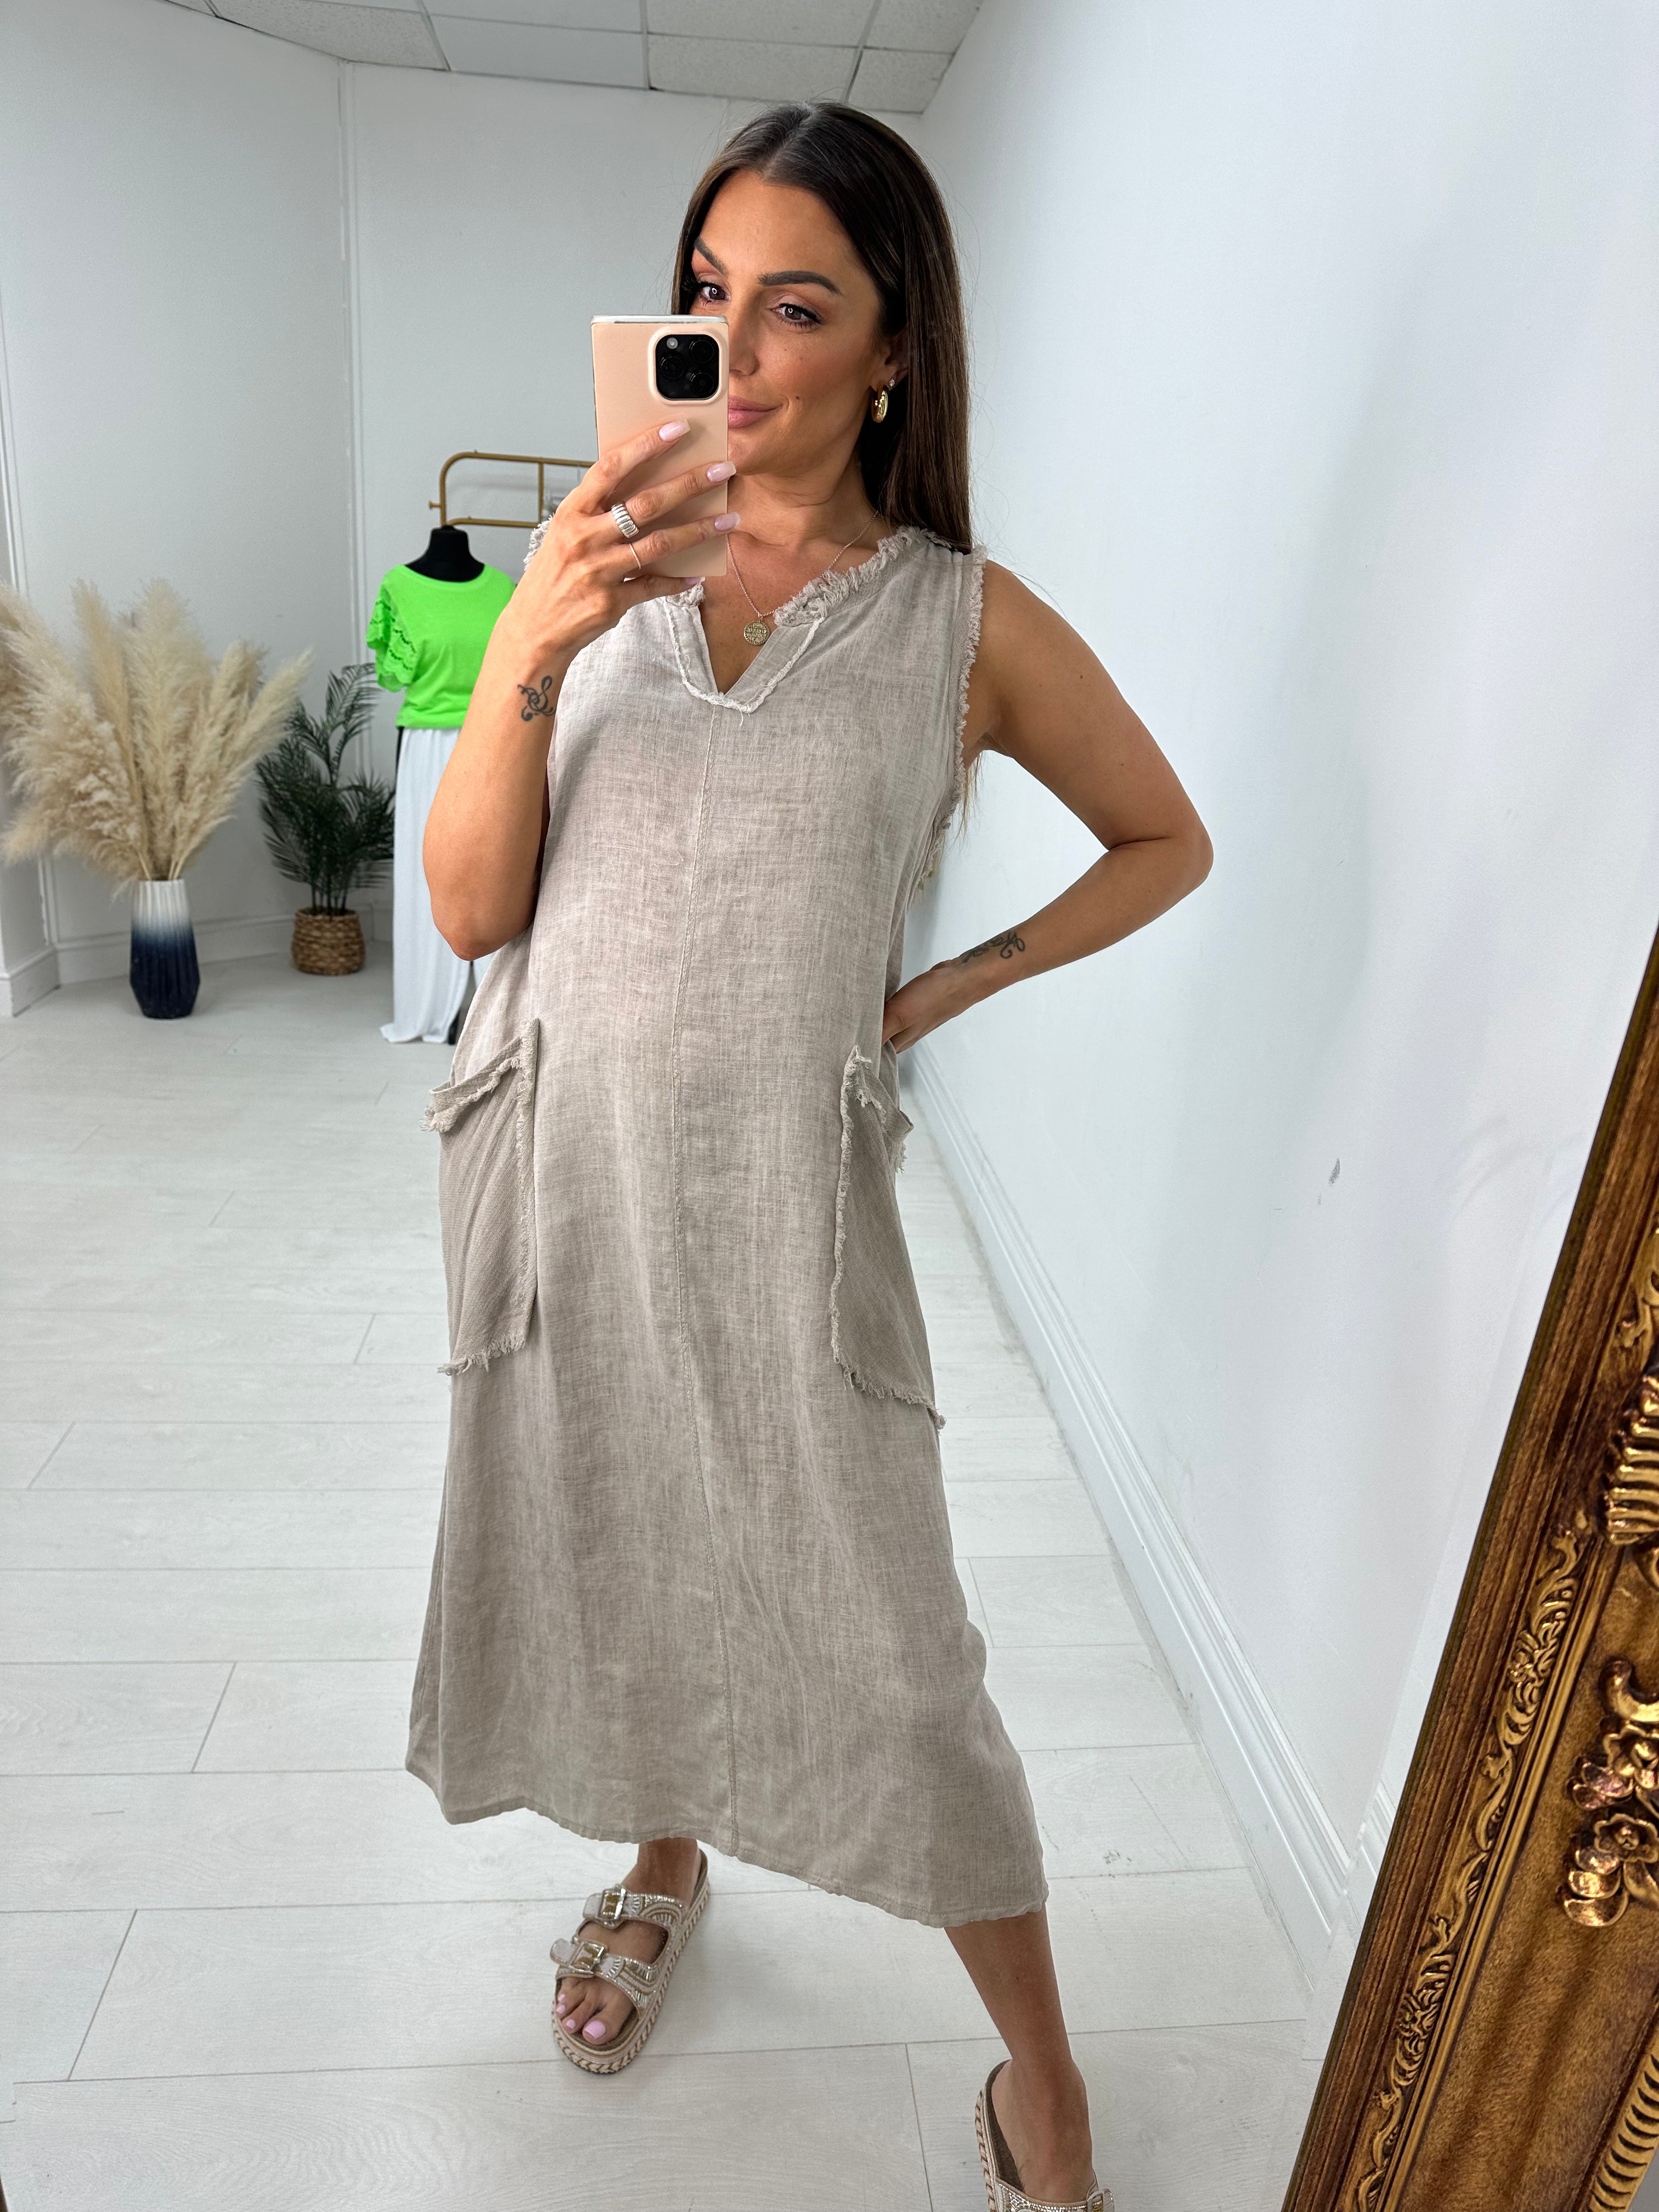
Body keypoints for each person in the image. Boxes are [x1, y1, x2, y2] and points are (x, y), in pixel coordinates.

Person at [415, 102, 1211, 2212]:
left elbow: (1165, 838)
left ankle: (1042, 2073)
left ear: (894, 349)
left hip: (790, 1198)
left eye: (797, 305)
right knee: (621, 1526)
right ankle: (663, 1853)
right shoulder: (590, 567)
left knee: (895, 1647)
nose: (738, 351)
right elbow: (474, 908)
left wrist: (942, 992)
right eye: (706, 298)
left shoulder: (963, 623)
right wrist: (535, 638)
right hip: (567, 1163)